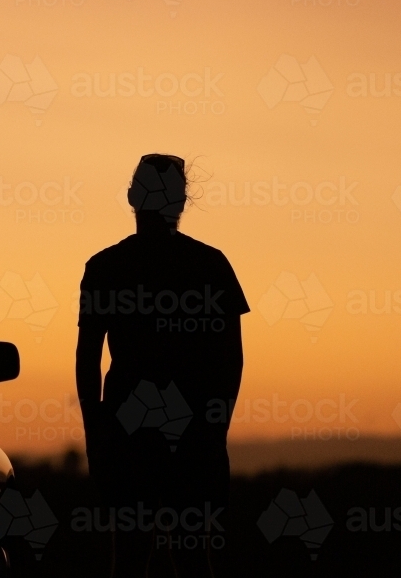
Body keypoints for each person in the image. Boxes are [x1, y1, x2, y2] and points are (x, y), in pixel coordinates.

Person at [76, 154, 249, 577]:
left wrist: (96, 431)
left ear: (133, 196)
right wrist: (214, 427)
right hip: (186, 433)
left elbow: (87, 359)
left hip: (129, 431)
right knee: (189, 557)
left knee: (132, 555)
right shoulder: (210, 265)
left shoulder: (105, 267)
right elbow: (231, 360)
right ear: (182, 202)